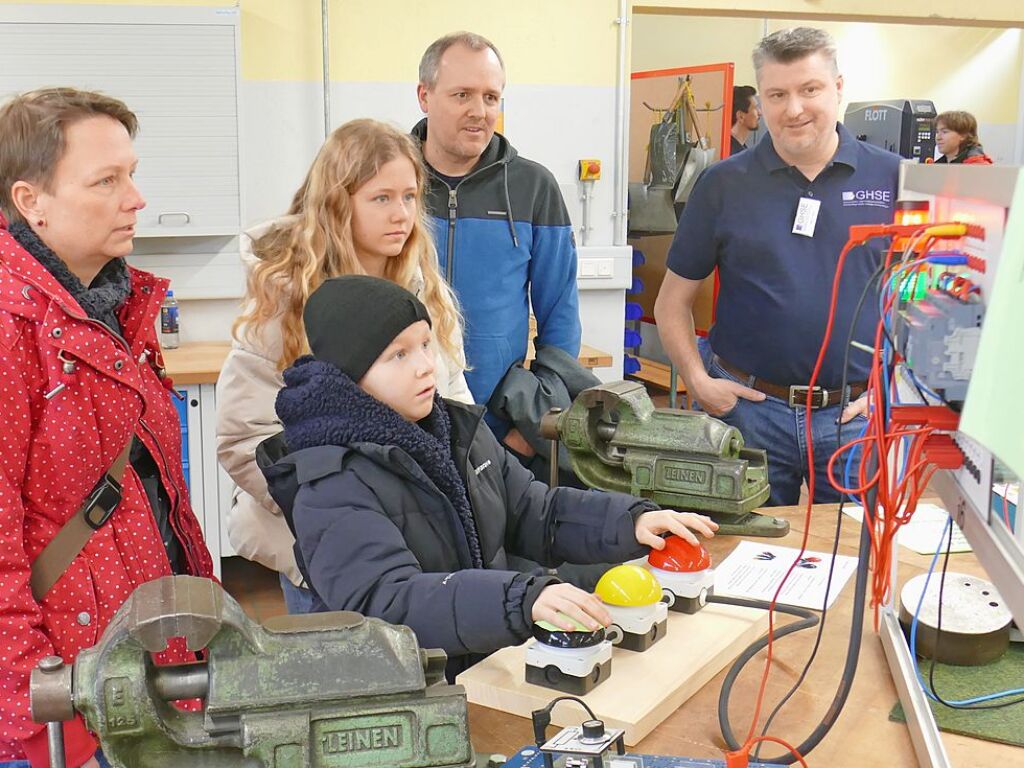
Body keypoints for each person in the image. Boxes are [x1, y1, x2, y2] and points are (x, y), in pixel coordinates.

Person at [261, 276, 717, 679]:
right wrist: (518, 600)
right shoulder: (330, 485)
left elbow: (534, 512)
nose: (425, 365)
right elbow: (389, 603)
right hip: (409, 697)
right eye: (397, 355)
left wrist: (630, 521)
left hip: (485, 671)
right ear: (349, 376)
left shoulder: (456, 433)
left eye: (424, 344)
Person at [0, 88, 212, 768]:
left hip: (149, 669)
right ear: (31, 201)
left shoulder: (120, 311)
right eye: (106, 180)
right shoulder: (10, 327)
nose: (136, 198)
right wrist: (44, 716)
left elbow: (158, 504)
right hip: (74, 705)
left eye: (132, 173)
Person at [216, 119, 472, 614]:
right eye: (381, 198)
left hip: (420, 547)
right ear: (337, 203)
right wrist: (336, 516)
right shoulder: (286, 301)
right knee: (339, 683)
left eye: (410, 197)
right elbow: (245, 439)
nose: (401, 214)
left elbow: (453, 404)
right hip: (325, 553)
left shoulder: (423, 290)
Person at [654, 28, 901, 506]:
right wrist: (697, 380)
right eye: (777, 94)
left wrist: (892, 388)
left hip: (857, 417)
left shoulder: (893, 178)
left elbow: (926, 302)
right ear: (760, 100)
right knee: (745, 564)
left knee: (856, 558)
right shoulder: (723, 184)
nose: (794, 109)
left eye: (810, 90)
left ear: (839, 88)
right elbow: (672, 302)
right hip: (750, 415)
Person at [412, 31, 581, 451]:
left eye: (491, 97)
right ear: (424, 96)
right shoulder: (393, 181)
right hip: (406, 427)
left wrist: (534, 425)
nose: (479, 111)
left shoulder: (533, 187)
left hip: (500, 434)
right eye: (462, 95)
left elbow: (559, 315)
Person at [730, 84, 760, 156]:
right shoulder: (731, 155)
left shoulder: (741, 149)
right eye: (755, 108)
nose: (760, 113)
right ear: (741, 116)